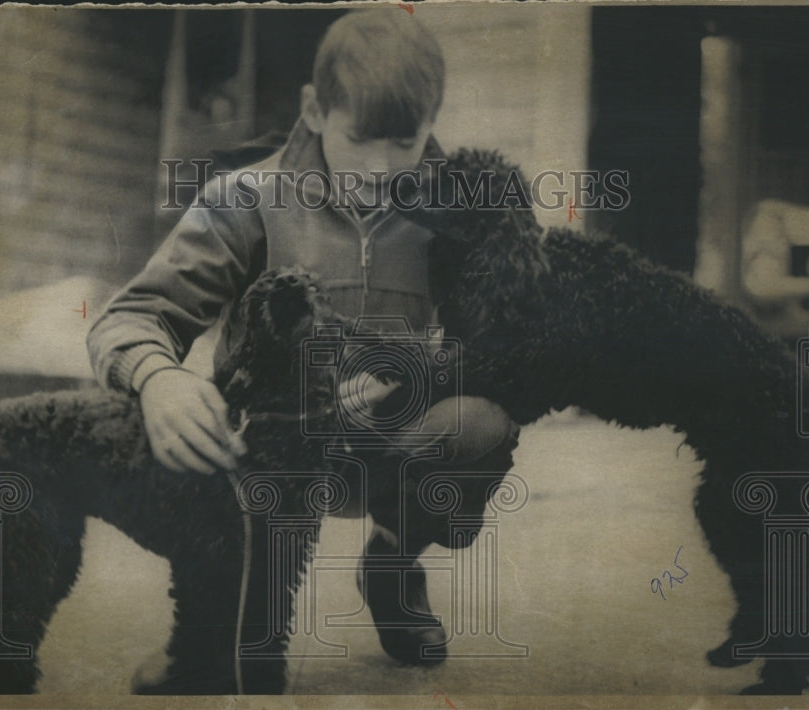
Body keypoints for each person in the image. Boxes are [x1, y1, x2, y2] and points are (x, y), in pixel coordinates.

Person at [87, 8, 519, 690]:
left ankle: (392, 563)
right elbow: (133, 316)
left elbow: (507, 344)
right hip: (268, 448)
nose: (382, 168)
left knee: (484, 422)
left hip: (385, 445)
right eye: (361, 140)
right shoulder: (245, 199)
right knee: (237, 657)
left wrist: (413, 374)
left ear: (434, 120)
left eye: (405, 144)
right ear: (315, 110)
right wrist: (157, 380)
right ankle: (211, 622)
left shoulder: (458, 214)